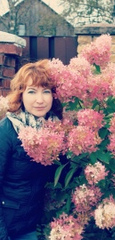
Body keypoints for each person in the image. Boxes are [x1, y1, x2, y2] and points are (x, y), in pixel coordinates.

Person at [0, 59, 63, 240]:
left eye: (46, 91)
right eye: (32, 91)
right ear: (21, 95)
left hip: (29, 225)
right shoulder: (7, 130)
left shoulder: (55, 129)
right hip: (7, 226)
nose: (40, 100)